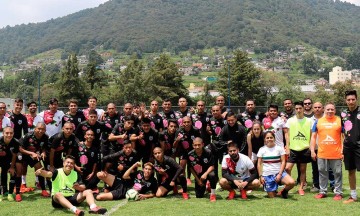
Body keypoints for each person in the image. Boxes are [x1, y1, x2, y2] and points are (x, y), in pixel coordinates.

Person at [35, 155, 107, 215]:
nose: (69, 164)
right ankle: (75, 210)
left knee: (88, 191)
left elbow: (83, 187)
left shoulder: (75, 174)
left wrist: (78, 187)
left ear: (73, 165)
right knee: (58, 194)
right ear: (63, 163)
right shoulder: (57, 171)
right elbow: (48, 174)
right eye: (68, 162)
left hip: (71, 198)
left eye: (72, 163)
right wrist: (41, 172)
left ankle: (93, 208)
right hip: (58, 200)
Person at [310, 103, 344, 200]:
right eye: (328, 109)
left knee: (337, 173)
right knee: (322, 173)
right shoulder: (318, 121)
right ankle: (323, 191)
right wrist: (312, 150)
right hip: (322, 153)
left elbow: (344, 137)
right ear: (324, 110)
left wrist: (343, 150)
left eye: (332, 109)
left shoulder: (339, 121)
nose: (330, 111)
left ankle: (338, 193)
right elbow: (313, 137)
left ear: (335, 110)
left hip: (336, 153)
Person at [284, 101, 312, 196]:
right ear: (295, 109)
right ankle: (288, 185)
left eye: (300, 108)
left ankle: (301, 188)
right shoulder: (290, 120)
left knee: (302, 170)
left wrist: (310, 148)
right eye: (296, 109)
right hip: (293, 149)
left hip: (304, 149)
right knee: (287, 168)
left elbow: (312, 136)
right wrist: (287, 147)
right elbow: (287, 135)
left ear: (303, 109)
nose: (298, 110)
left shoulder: (309, 121)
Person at [257, 131, 295, 198]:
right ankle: (273, 190)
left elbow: (283, 161)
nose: (269, 139)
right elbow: (259, 164)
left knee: (291, 182)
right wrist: (261, 176)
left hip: (278, 173)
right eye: (267, 138)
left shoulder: (279, 148)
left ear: (274, 138)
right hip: (267, 175)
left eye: (271, 137)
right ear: (264, 139)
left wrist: (280, 174)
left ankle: (284, 192)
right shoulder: (262, 149)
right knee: (272, 197)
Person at [19, 122, 50, 197]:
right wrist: (31, 153)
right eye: (39, 129)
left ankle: (43, 190)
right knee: (21, 168)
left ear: (45, 130)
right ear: (35, 129)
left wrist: (43, 152)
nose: (40, 131)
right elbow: (20, 149)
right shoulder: (28, 135)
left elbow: (44, 147)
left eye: (42, 129)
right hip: (23, 153)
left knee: (39, 168)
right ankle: (22, 184)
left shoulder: (45, 137)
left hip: (33, 155)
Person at [341, 90, 360, 203]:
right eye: (348, 100)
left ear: (356, 99)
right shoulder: (343, 113)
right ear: (345, 100)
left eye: (353, 99)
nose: (351, 102)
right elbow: (342, 131)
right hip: (348, 147)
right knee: (351, 171)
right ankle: (353, 196)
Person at [186, 137, 217, 201]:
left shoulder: (208, 152)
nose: (197, 147)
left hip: (208, 172)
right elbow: (190, 168)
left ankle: (213, 194)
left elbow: (212, 166)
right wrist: (198, 180)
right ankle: (206, 186)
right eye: (195, 145)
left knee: (212, 175)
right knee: (199, 196)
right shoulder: (190, 154)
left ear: (202, 144)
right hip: (199, 175)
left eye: (199, 145)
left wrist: (205, 174)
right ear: (192, 145)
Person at [174, 116, 201, 185]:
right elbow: (174, 145)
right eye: (184, 122)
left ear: (191, 122)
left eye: (188, 122)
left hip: (193, 151)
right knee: (182, 166)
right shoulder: (179, 131)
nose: (186, 124)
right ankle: (184, 182)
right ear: (182, 123)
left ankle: (195, 180)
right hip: (183, 151)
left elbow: (200, 142)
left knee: (195, 167)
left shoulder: (195, 130)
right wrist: (177, 140)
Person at [0, 127, 22, 202]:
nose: (9, 135)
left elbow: (14, 155)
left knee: (13, 172)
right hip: (1, 160)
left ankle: (10, 193)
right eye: (7, 133)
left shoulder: (15, 142)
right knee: (2, 173)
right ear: (3, 133)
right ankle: (1, 194)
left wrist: (12, 167)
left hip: (10, 159)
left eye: (11, 133)